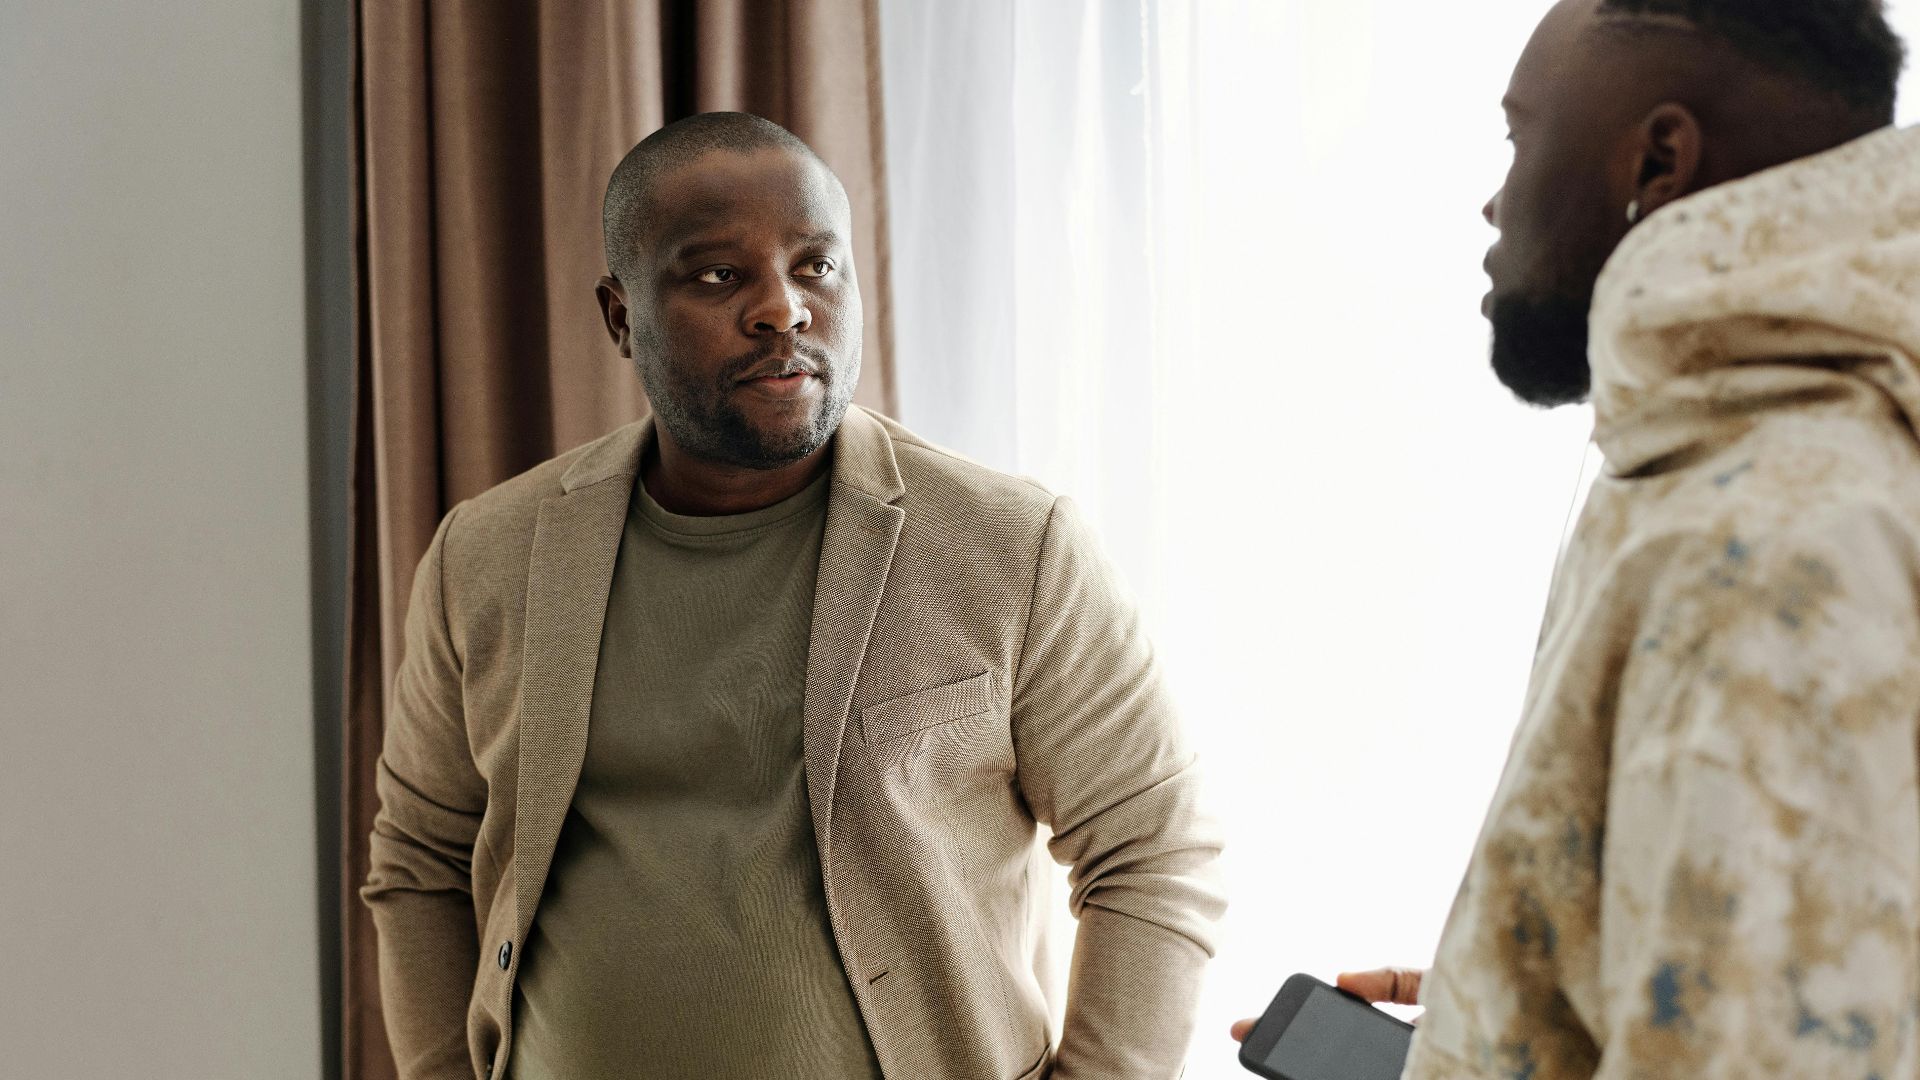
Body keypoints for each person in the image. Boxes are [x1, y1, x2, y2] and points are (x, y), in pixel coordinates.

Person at [362, 112, 1225, 1080]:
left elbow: (1153, 855)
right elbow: (419, 860)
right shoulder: (490, 552)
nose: (782, 309)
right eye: (719, 275)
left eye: (816, 265)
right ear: (620, 315)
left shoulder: (1013, 547)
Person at [1236, 0, 1918, 1075]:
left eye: (1519, 135)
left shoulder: (1768, 540)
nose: (1494, 200)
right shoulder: (1727, 451)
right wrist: (1503, 1011)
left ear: (1658, 161)